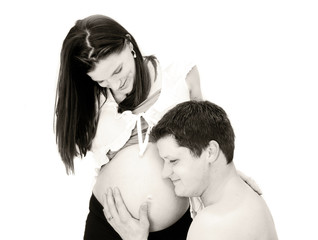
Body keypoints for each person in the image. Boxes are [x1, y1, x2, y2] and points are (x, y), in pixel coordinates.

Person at [54, 14, 203, 239]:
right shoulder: (92, 104)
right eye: (101, 81)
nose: (115, 85)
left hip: (176, 226)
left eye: (117, 71)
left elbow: (208, 139)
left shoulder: (178, 77)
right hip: (109, 224)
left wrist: (227, 177)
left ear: (129, 44)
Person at [103, 100, 278, 240]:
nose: (165, 173)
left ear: (210, 152)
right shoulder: (247, 194)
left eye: (174, 161)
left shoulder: (211, 224)